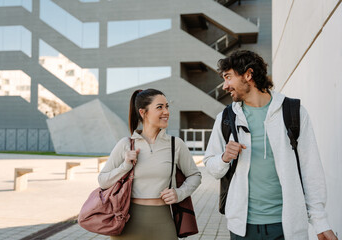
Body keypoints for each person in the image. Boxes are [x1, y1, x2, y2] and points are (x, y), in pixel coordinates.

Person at [203, 50, 338, 240]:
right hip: (242, 227)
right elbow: (211, 166)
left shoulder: (293, 112)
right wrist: (224, 158)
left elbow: (311, 170)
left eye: (228, 77)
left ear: (248, 74)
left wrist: (320, 222)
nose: (225, 86)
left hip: (286, 226)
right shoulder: (226, 118)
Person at [98, 88, 201, 240]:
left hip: (163, 222)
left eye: (167, 106)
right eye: (160, 107)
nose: (166, 111)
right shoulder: (125, 144)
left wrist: (179, 193)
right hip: (127, 223)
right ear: (143, 112)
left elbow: (195, 175)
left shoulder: (175, 144)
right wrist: (125, 166)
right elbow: (102, 180)